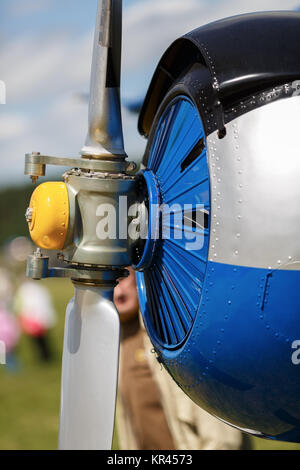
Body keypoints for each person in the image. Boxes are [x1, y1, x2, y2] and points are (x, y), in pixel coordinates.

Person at [114, 268, 250, 450]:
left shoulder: (177, 329)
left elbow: (223, 439)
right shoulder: (117, 341)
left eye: (123, 276)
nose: (119, 290)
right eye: (110, 278)